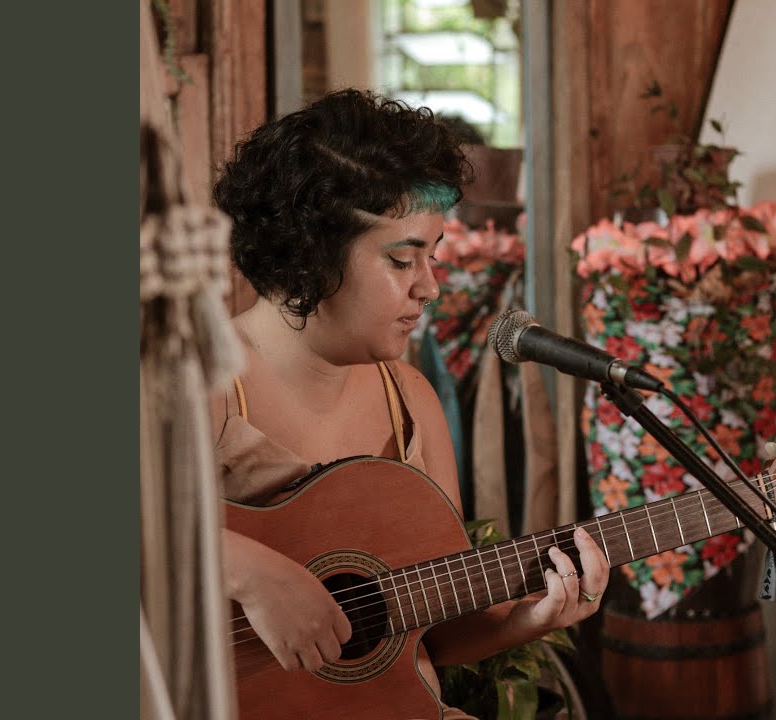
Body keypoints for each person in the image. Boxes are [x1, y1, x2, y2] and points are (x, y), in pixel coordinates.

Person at [210, 89, 609, 718]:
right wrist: (250, 572)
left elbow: (433, 632)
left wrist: (527, 618)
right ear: (310, 254)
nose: (430, 286)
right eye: (403, 259)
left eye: (433, 256)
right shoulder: (201, 381)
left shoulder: (411, 400)